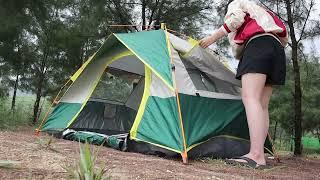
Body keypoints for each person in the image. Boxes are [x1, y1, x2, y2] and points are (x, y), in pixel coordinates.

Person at [199, 0, 287, 168]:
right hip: (277, 50)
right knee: (262, 105)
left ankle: (255, 155)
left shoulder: (238, 2)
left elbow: (235, 20)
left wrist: (211, 38)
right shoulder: (264, 11)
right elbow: (284, 36)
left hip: (258, 46)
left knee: (250, 97)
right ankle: (259, 153)